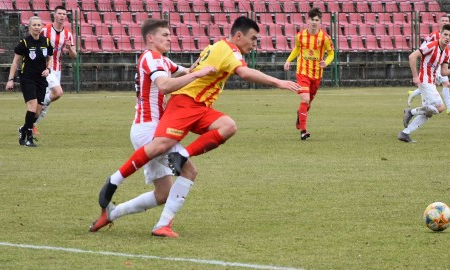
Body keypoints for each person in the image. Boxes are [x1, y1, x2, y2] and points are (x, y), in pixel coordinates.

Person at [93, 17, 300, 237]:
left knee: (226, 128)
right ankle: (118, 184)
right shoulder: (224, 51)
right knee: (170, 154)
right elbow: (240, 73)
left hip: (193, 107)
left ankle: (113, 214)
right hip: (173, 110)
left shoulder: (204, 50)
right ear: (238, 36)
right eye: (253, 39)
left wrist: (195, 70)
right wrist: (279, 82)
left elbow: (187, 69)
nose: (255, 44)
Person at [88, 19, 217, 237]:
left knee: (163, 193)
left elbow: (184, 71)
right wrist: (196, 75)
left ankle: (111, 214)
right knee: (189, 171)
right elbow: (165, 85)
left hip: (148, 128)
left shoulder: (163, 61)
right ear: (150, 38)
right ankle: (162, 225)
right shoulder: (152, 58)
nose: (169, 38)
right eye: (165, 35)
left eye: (170, 35)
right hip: (150, 129)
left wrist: (202, 64)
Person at [398, 24, 450, 143]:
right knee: (440, 107)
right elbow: (412, 56)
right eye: (445, 34)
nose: (447, 37)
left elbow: (443, 72)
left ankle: (405, 133)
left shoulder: (447, 52)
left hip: (431, 82)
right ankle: (410, 112)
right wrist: (415, 76)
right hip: (424, 80)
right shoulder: (432, 46)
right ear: (440, 34)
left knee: (429, 113)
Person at [283, 8, 334, 140]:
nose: (314, 22)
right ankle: (303, 131)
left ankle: (300, 115)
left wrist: (326, 62)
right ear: (308, 20)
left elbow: (331, 54)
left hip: (316, 74)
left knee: (308, 102)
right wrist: (288, 60)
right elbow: (296, 49)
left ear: (320, 22)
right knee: (305, 99)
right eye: (312, 19)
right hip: (302, 72)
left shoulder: (325, 38)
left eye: (317, 20)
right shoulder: (300, 36)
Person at [5, 16, 54, 147]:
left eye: (39, 25)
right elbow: (15, 62)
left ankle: (23, 129)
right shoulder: (24, 43)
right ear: (29, 27)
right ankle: (29, 138)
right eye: (34, 25)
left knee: (37, 111)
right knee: (32, 106)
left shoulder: (46, 41)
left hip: (41, 79)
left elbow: (50, 58)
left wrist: (48, 69)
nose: (37, 27)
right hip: (27, 78)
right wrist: (10, 79)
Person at [407, 15, 450, 115]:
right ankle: (447, 108)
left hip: (441, 62)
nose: (445, 22)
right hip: (432, 65)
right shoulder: (433, 35)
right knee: (438, 84)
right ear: (439, 23)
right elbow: (423, 47)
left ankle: (414, 95)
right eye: (443, 20)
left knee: (437, 85)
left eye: (447, 20)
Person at [35, 6, 77, 132]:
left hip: (57, 69)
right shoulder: (44, 30)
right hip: (45, 68)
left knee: (49, 99)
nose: (62, 16)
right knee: (57, 93)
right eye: (59, 13)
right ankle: (31, 121)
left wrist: (69, 48)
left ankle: (32, 124)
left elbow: (74, 55)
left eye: (64, 14)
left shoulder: (68, 34)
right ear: (54, 15)